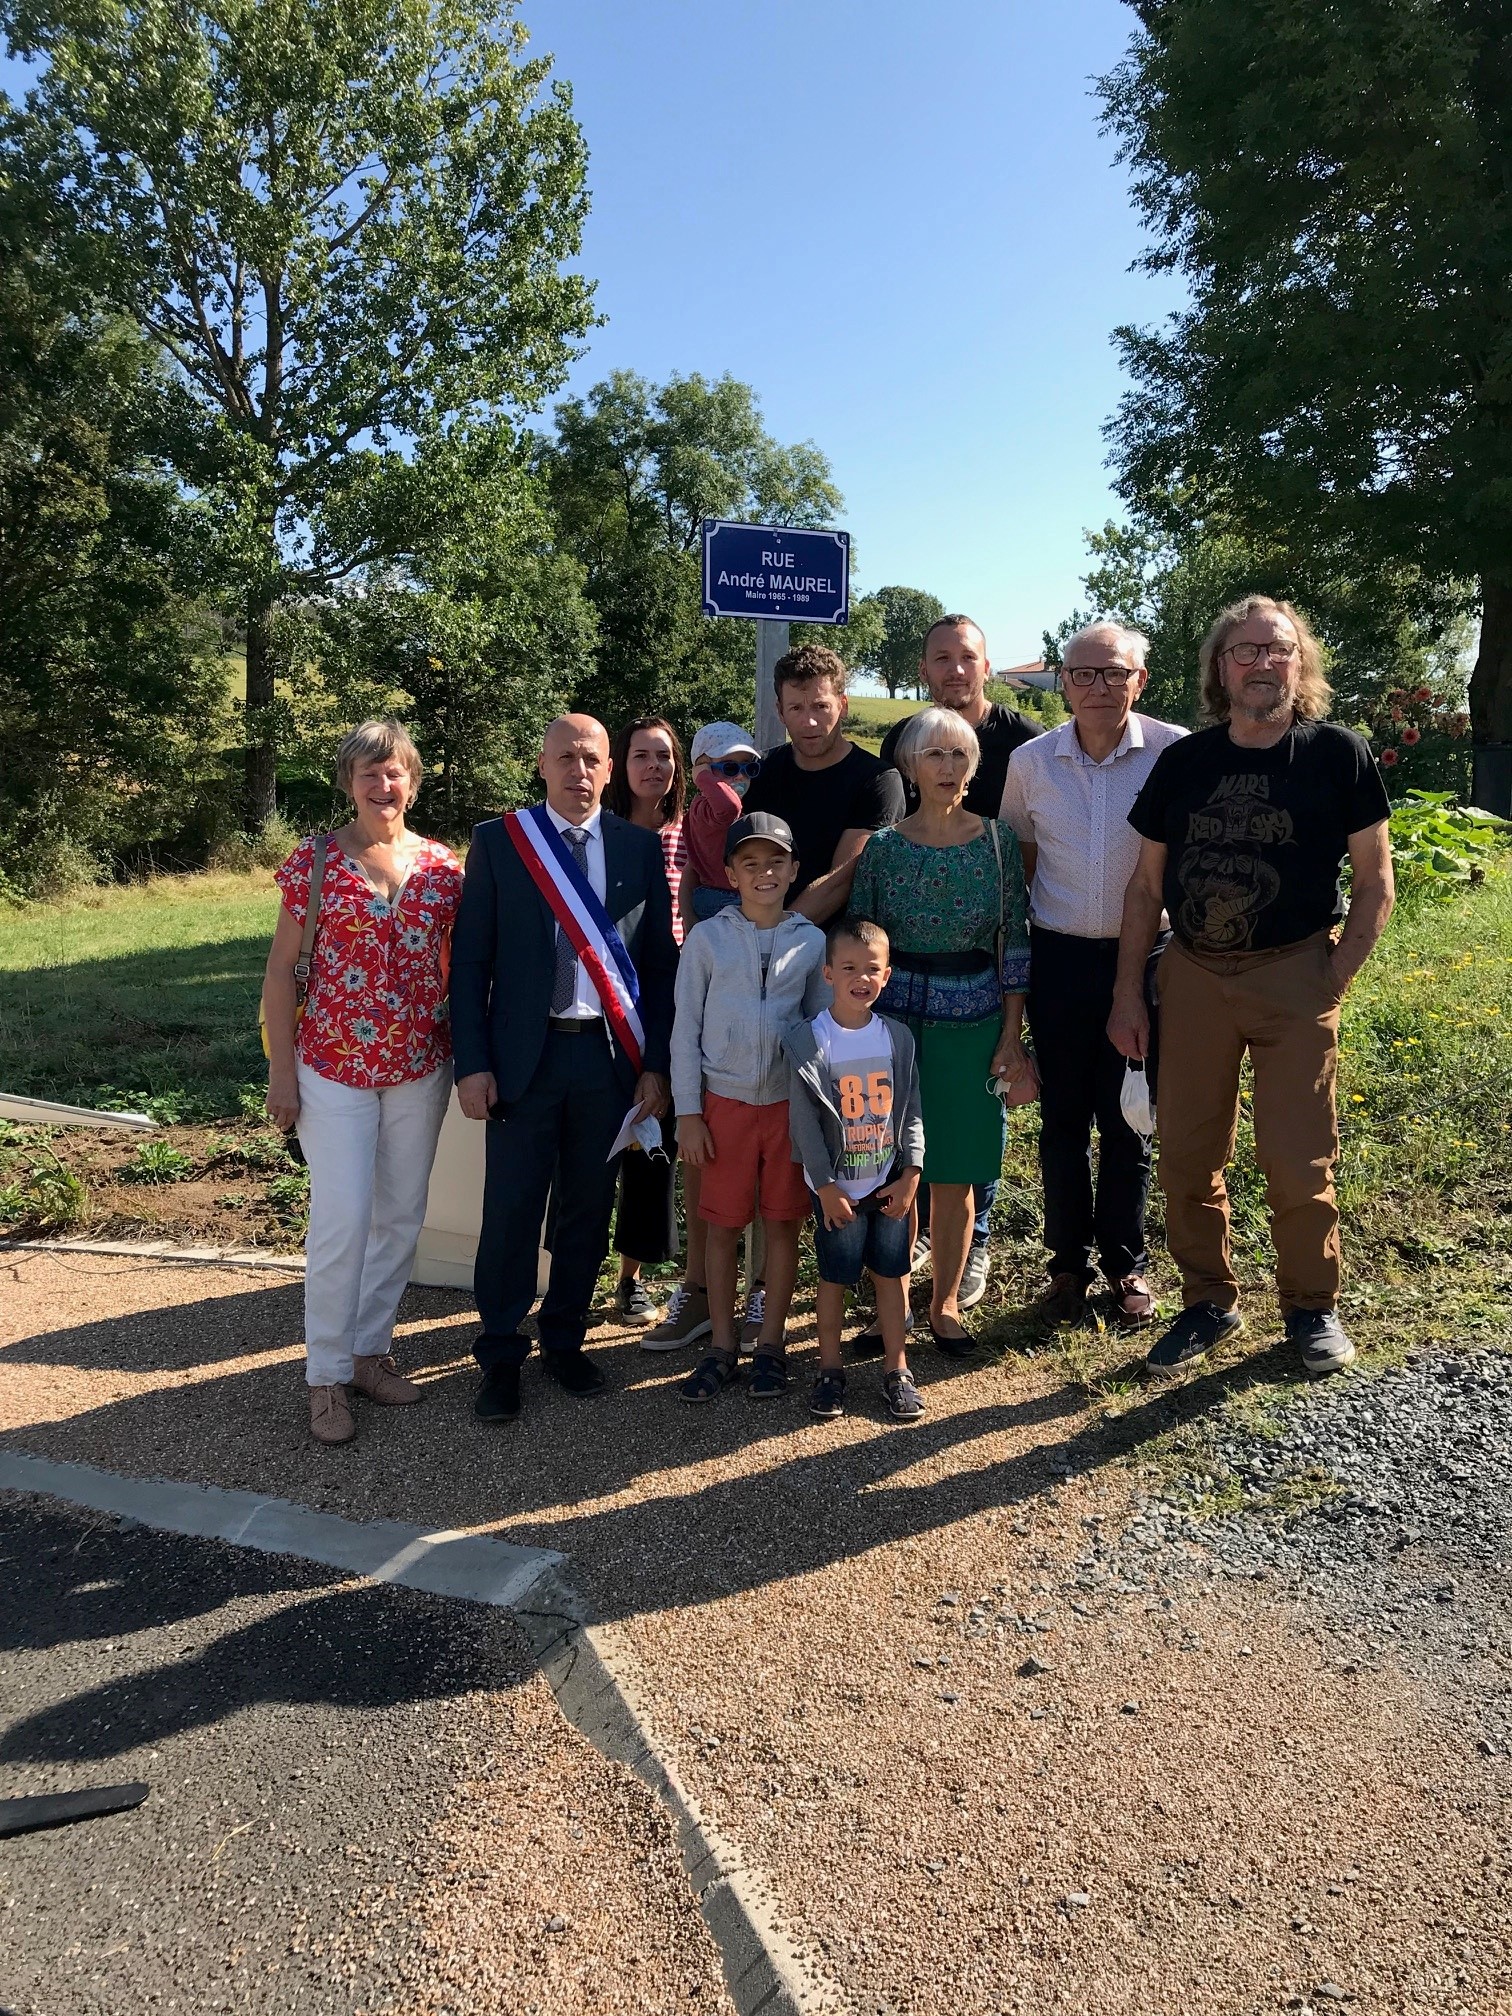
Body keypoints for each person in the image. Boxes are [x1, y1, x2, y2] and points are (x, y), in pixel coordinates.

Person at [1109, 596, 1394, 1377]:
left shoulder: (1337, 753)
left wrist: (1333, 977)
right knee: (1188, 1155)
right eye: (1246, 652)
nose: (1263, 663)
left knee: (1299, 1159)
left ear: (1299, 664)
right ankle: (1209, 1302)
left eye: (1278, 650)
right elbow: (1144, 890)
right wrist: (1129, 994)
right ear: (1220, 669)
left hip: (1294, 972)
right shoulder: (1187, 763)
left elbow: (1375, 881)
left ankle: (1311, 1307)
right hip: (1194, 976)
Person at [451, 714, 678, 1422]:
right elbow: (470, 962)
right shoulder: (499, 843)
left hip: (607, 1060)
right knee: (512, 1211)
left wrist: (658, 1065)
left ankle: (565, 1340)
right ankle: (498, 1352)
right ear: (542, 766)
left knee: (587, 1207)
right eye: (565, 758)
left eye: (591, 759)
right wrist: (473, 1063)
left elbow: (660, 971)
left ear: (610, 770)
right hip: (526, 1058)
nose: (578, 771)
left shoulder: (639, 849)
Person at [263, 719, 464, 1447]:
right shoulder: (313, 864)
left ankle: (368, 1354)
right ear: (349, 783)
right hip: (332, 1069)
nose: (384, 786)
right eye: (369, 774)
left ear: (413, 780)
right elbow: (282, 975)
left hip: (418, 1067)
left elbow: (467, 966)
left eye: (395, 773)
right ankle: (323, 1379)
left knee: (400, 1220)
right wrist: (283, 1074)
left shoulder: (445, 867)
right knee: (342, 1221)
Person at [999, 622, 1188, 1326]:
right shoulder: (1031, 762)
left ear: (1140, 680)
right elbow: (1021, 863)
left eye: (1114, 673)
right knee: (1063, 1122)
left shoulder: (1175, 753)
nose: (1099, 687)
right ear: (1063, 683)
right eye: (1083, 674)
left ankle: (1127, 1265)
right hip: (1058, 958)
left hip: (1150, 958)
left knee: (1130, 1116)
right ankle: (1066, 1267)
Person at [849, 708, 1032, 1355]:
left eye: (960, 756)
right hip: (893, 1030)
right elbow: (861, 949)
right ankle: (885, 1307)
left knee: (956, 1173)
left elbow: (1014, 946)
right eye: (936, 756)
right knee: (887, 1169)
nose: (949, 769)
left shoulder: (997, 843)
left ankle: (947, 1303)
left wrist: (1012, 1037)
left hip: (973, 1028)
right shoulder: (884, 849)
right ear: (911, 765)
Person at [878, 616, 1040, 1304]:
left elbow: (1016, 923)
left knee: (971, 1145)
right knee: (900, 1146)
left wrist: (1013, 1028)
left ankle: (971, 1250)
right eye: (940, 658)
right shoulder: (889, 834)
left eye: (965, 657)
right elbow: (870, 925)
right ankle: (904, 1261)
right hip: (901, 1008)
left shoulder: (1025, 743)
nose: (954, 669)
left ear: (985, 664)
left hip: (978, 998)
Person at [671, 812, 829, 1402]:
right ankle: (721, 1347)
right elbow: (685, 1029)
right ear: (732, 873)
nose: (764, 873)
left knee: (783, 1224)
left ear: (794, 870)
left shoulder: (810, 942)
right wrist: (689, 1111)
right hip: (724, 1104)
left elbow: (819, 1029)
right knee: (720, 1227)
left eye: (776, 862)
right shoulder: (709, 938)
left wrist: (819, 1109)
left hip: (787, 1109)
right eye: (751, 863)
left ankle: (770, 1344)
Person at [785, 917, 926, 1422]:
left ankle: (898, 1369)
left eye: (872, 969)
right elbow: (803, 1124)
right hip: (836, 1192)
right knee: (834, 1279)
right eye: (848, 967)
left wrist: (911, 1173)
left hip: (889, 1185)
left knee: (892, 1276)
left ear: (887, 976)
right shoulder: (808, 1041)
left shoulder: (898, 1039)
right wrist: (823, 1185)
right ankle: (829, 1370)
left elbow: (910, 1111)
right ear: (828, 973)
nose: (860, 978)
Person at [602, 716, 688, 1328]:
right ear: (619, 767)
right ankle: (570, 1276)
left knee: (653, 1147)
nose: (653, 766)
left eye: (663, 755)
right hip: (604, 1006)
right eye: (640, 755)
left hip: (677, 1006)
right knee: (589, 1149)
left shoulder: (697, 837)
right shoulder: (594, 836)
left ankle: (632, 1278)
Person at [741, 643, 905, 924]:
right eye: (796, 708)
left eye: (821, 706)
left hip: (838, 955)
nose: (810, 721)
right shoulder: (759, 771)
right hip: (753, 936)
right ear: (780, 712)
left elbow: (840, 881)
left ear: (843, 706)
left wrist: (774, 936)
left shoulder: (878, 779)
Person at [679, 721, 762, 930]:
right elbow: (729, 806)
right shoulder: (713, 810)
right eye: (730, 767)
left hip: (714, 896)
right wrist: (702, 776)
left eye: (749, 767)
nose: (740, 776)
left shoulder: (699, 808)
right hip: (723, 899)